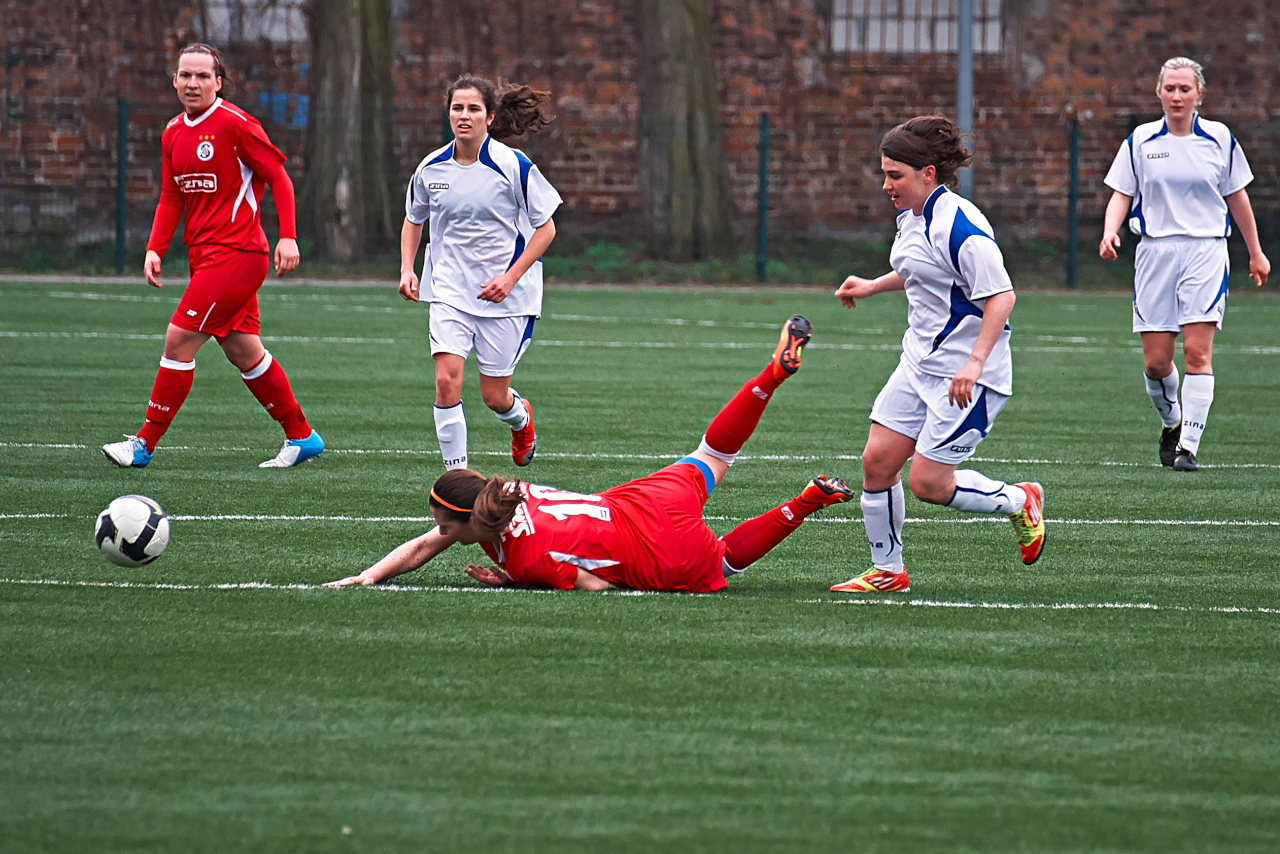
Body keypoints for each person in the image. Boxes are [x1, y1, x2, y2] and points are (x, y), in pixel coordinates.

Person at [326, 317, 855, 592]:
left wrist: (519, 582)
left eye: (441, 521)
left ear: (464, 521)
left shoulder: (527, 560)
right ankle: (771, 375)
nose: (436, 529)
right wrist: (371, 575)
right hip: (639, 502)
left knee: (722, 561)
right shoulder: (510, 493)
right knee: (713, 452)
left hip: (658, 548)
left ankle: (807, 501)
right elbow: (428, 543)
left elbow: (595, 584)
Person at [829, 115, 1045, 594]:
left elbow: (1001, 297)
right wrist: (871, 286)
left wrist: (974, 364)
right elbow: (920, 271)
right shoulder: (912, 214)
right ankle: (888, 571)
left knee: (928, 484)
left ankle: (1020, 499)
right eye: (884, 173)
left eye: (895, 175)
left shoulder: (961, 226)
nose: (886, 184)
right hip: (919, 363)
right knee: (877, 463)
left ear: (928, 173)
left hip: (965, 377)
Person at [102, 43, 323, 470]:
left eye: (203, 76)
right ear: (175, 80)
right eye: (186, 75)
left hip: (239, 253)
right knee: (244, 351)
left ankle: (144, 444)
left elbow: (278, 176)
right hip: (205, 257)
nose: (193, 83)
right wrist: (155, 247)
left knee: (179, 339)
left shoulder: (236, 124)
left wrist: (289, 236)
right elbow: (171, 196)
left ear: (218, 82)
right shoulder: (172, 132)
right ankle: (301, 436)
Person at [1100, 56, 1270, 472]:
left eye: (1185, 89)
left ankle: (1188, 448)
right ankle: (1172, 422)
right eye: (1170, 88)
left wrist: (1255, 251)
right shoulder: (1140, 141)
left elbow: (1237, 197)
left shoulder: (1220, 139)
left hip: (1206, 250)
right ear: (1159, 92)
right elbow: (1122, 191)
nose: (1177, 96)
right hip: (1155, 252)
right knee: (1157, 362)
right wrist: (1110, 230)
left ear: (1199, 94)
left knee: (1197, 352)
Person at [399, 74, 562, 472]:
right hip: (450, 290)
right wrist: (408, 268)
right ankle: (458, 478)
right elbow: (413, 219)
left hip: (507, 298)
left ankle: (521, 418)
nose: (464, 116)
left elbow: (547, 228)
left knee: (494, 396)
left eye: (473, 109)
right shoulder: (431, 168)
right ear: (448, 113)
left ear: (490, 117)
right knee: (446, 382)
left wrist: (510, 278)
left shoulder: (513, 166)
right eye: (457, 108)